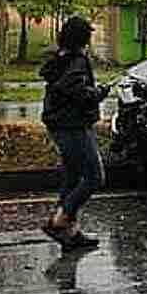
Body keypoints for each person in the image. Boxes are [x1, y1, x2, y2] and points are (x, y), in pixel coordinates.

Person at [40, 15, 110, 249]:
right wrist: (100, 92)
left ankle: (70, 232)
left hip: (61, 125)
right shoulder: (77, 61)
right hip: (73, 126)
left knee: (72, 177)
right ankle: (59, 221)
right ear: (83, 38)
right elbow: (79, 93)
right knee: (94, 177)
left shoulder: (60, 57)